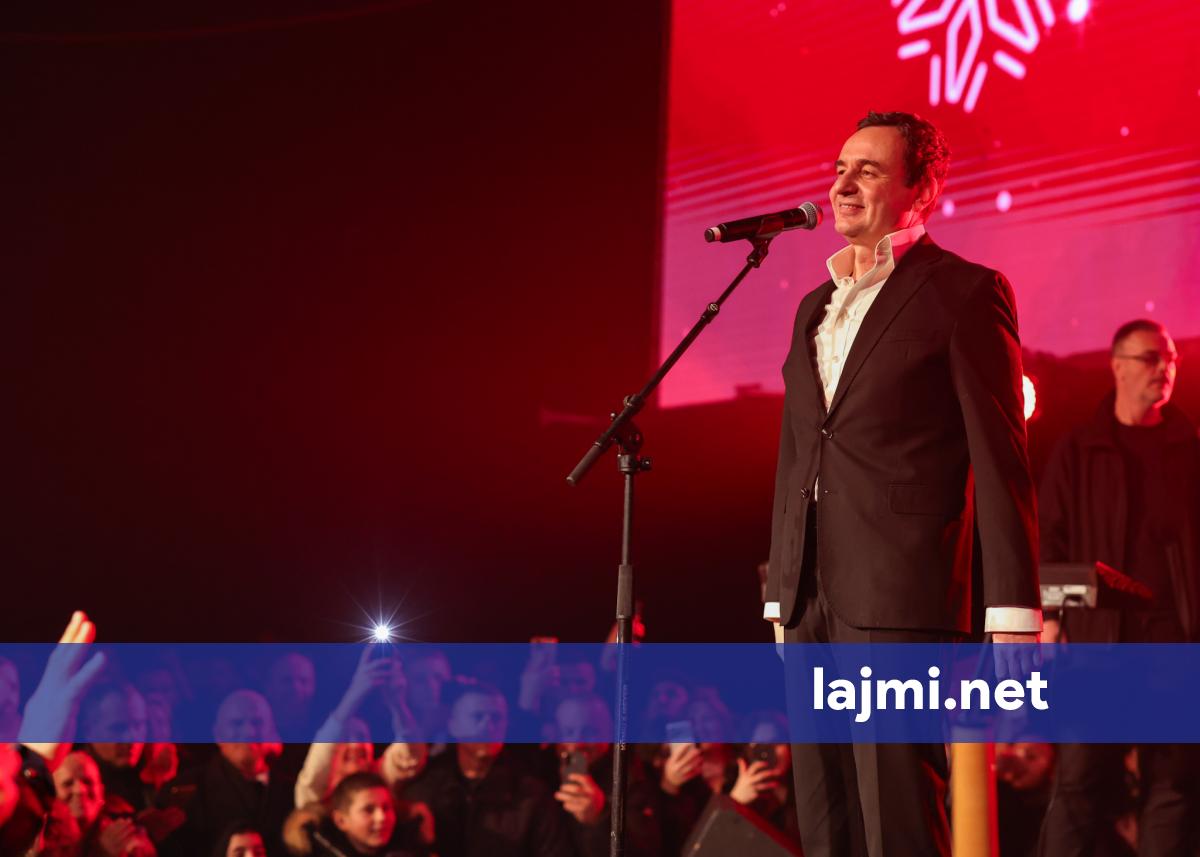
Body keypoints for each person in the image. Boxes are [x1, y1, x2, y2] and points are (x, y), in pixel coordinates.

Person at [763, 110, 1041, 857]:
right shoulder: (814, 306)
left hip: (901, 593)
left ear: (921, 191)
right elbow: (798, 450)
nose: (843, 184)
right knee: (824, 813)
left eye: (869, 170)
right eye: (840, 168)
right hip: (810, 595)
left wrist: (1013, 608)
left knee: (897, 814)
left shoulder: (964, 292)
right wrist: (781, 591)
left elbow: (1001, 455)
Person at [1037, 319, 1200, 856]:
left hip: (1173, 645)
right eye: (1152, 358)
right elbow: (1048, 538)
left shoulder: (1190, 449)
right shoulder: (1079, 450)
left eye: (1171, 358)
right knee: (1081, 783)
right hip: (1097, 646)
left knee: (1174, 784)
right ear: (1118, 367)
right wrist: (1051, 620)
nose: (1165, 368)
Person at [402, 681, 573, 857]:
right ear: (453, 725)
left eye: (496, 718)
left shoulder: (530, 795)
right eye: (477, 717)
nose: (488, 726)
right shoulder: (427, 789)